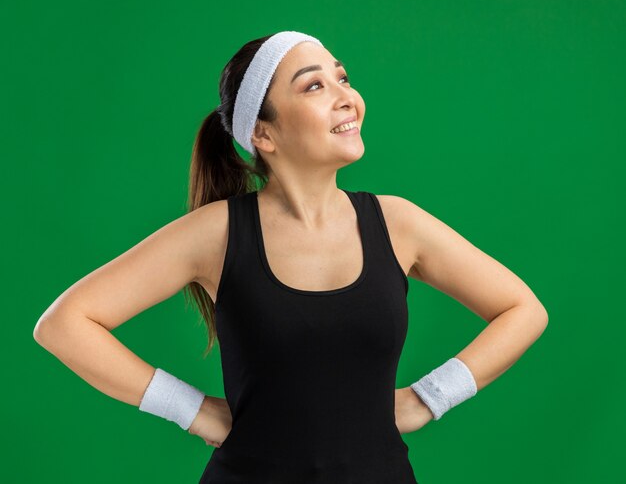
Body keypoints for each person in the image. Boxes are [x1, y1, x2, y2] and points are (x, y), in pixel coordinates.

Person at [33, 31, 549, 483]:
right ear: (263, 134)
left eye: (343, 78)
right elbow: (64, 324)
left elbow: (524, 310)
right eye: (314, 85)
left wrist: (429, 396)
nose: (345, 96)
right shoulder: (216, 233)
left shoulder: (398, 224)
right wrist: (191, 411)